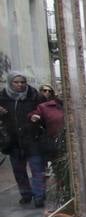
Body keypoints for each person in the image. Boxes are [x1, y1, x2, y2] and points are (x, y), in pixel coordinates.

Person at [0, 74, 48, 208]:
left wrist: (37, 117)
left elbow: (46, 112)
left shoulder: (35, 96)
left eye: (23, 82)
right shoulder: (3, 97)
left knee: (37, 169)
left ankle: (39, 196)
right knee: (19, 170)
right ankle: (26, 194)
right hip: (13, 140)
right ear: (11, 83)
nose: (20, 85)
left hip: (33, 138)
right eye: (16, 82)